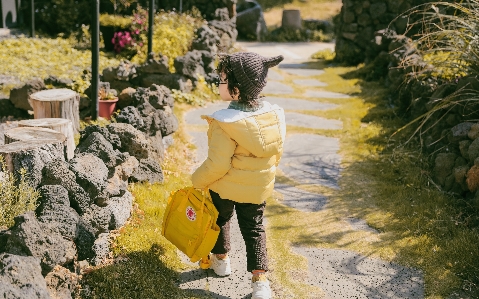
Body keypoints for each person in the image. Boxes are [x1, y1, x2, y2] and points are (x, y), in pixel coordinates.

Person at [191, 52, 286, 299]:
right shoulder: (274, 115)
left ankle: (221, 261)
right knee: (254, 228)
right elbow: (278, 151)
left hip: (225, 185)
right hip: (257, 187)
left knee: (220, 219)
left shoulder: (226, 122)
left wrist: (196, 180)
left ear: (236, 89)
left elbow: (217, 164)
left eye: (221, 81)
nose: (218, 85)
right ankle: (261, 283)